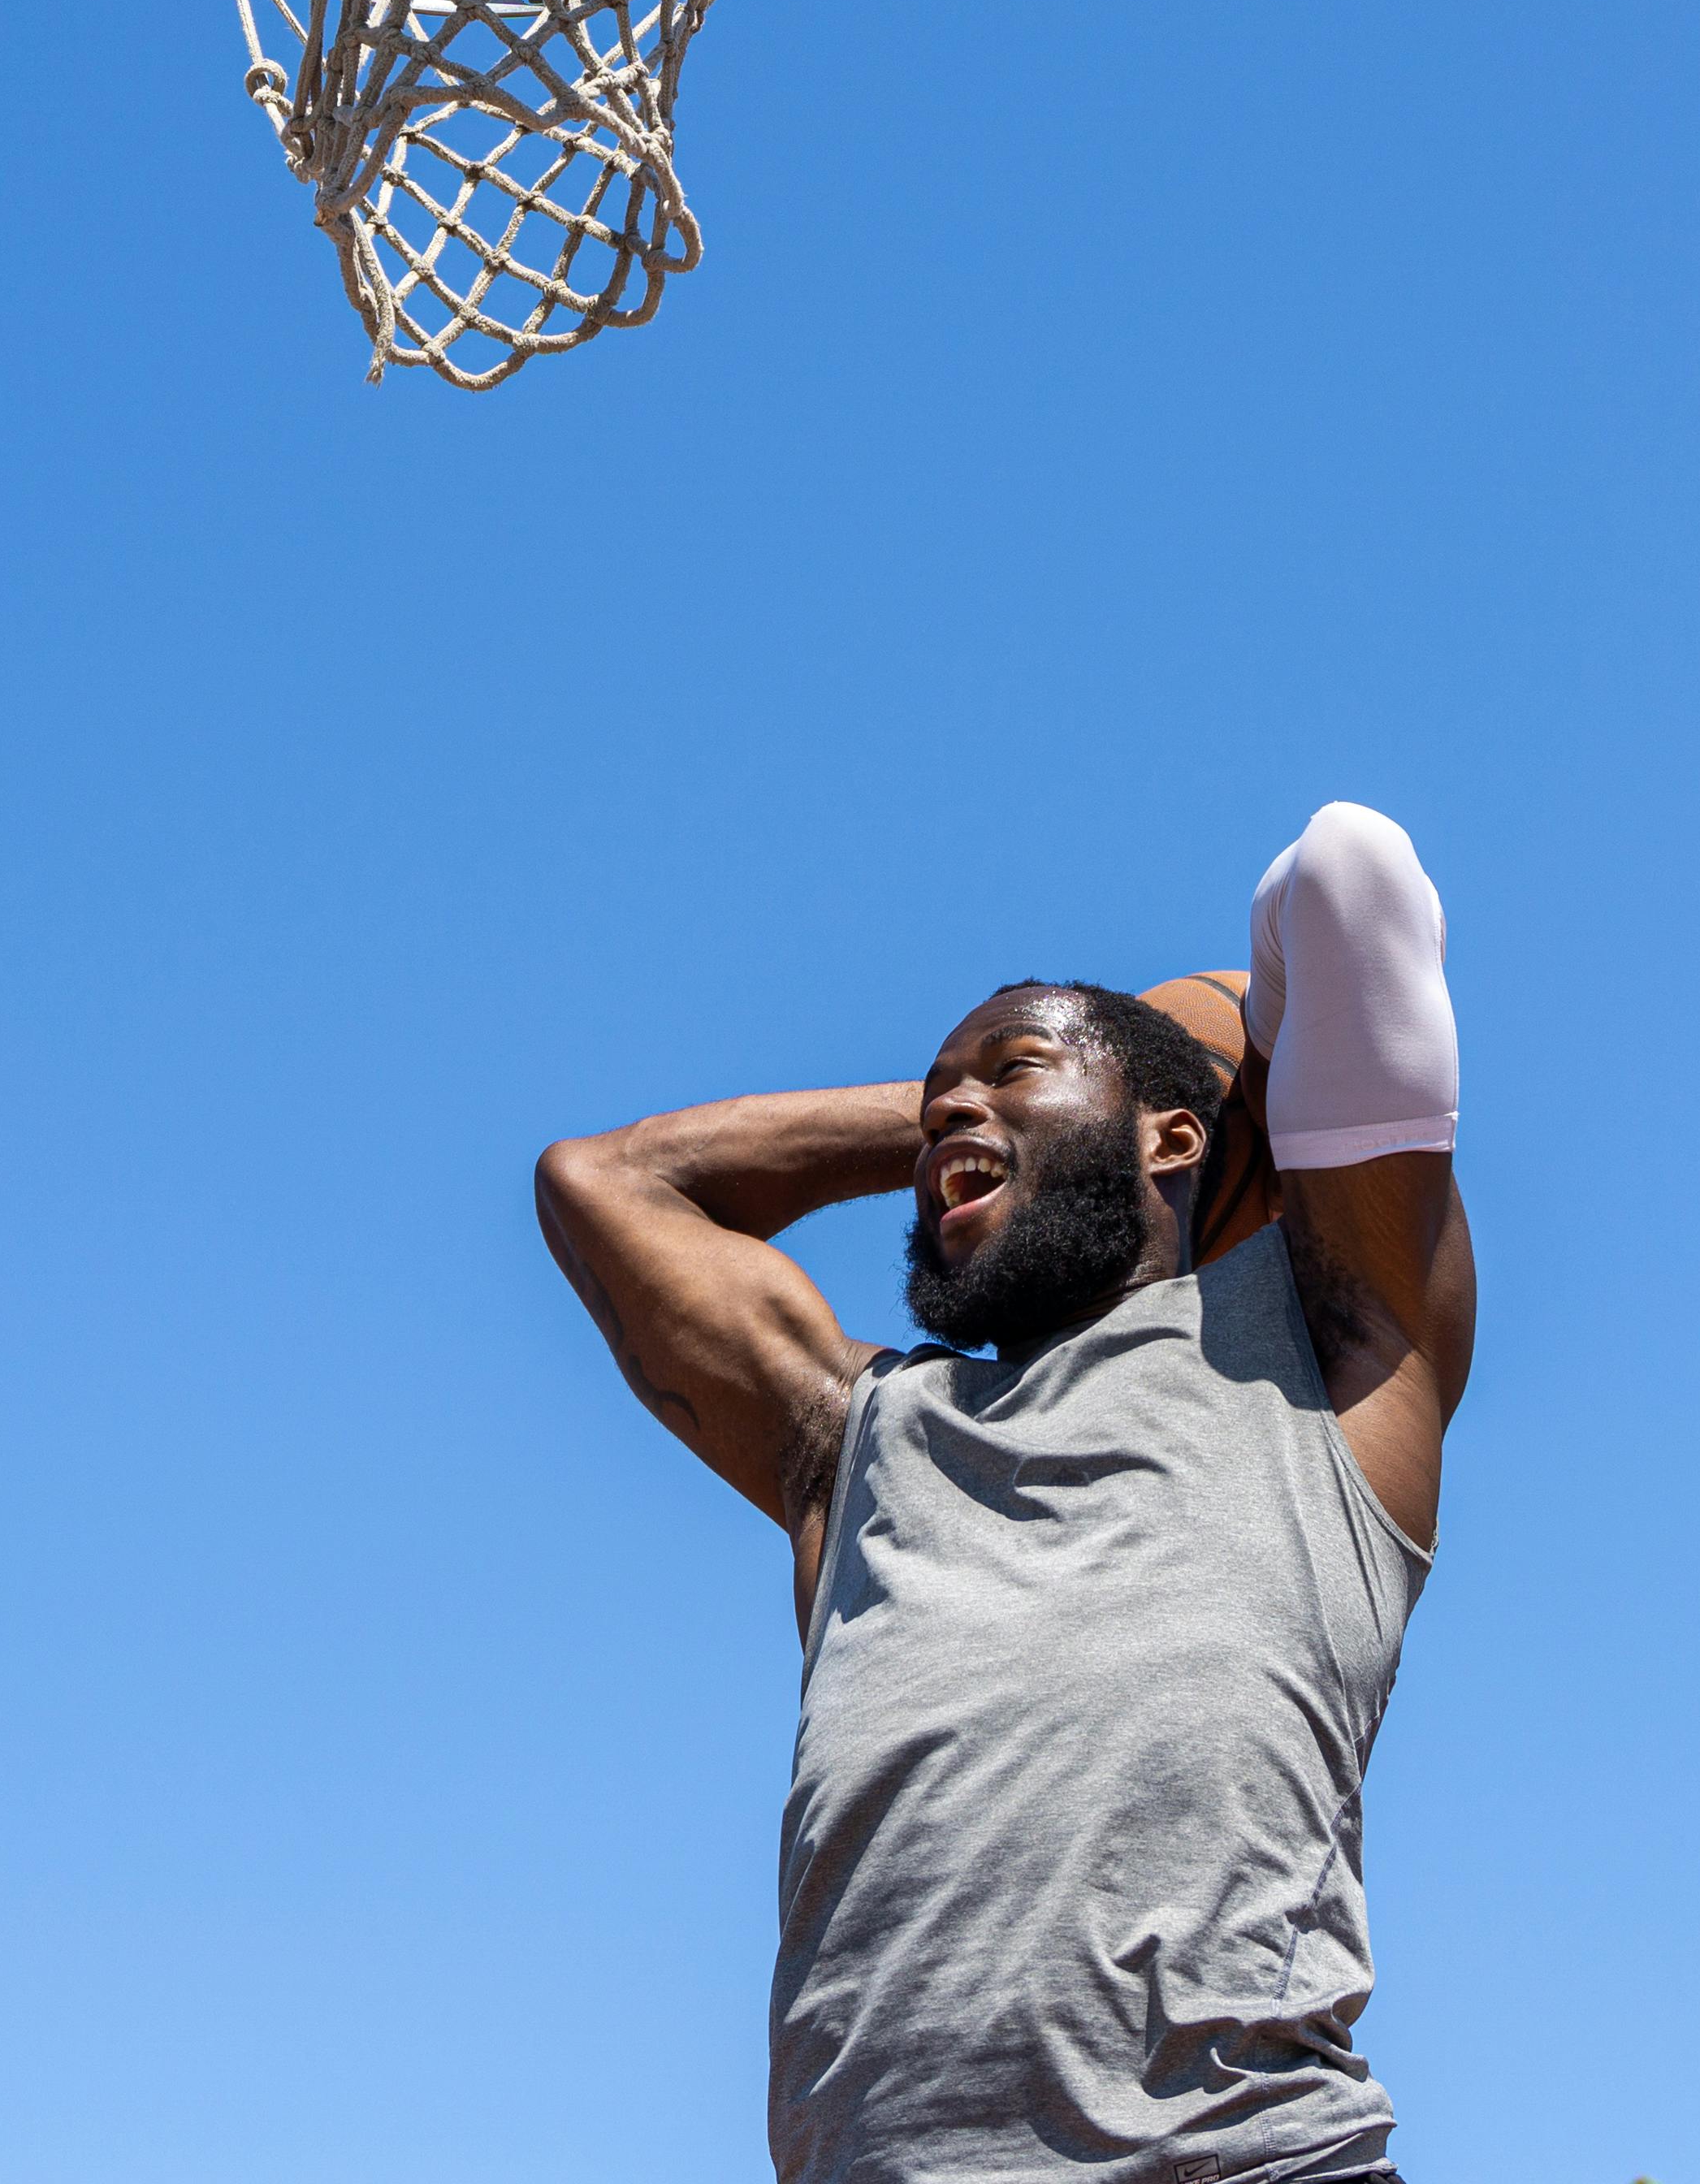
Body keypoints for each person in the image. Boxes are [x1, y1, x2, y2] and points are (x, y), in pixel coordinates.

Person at [533, 802, 1480, 2184]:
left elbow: (1348, 871)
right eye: (934, 1102)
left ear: (1177, 1138)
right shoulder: (857, 1437)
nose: (947, 1112)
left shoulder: (1326, 1353)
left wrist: (1157, 1068)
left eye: (1009, 1067)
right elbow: (603, 1181)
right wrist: (997, 1110)